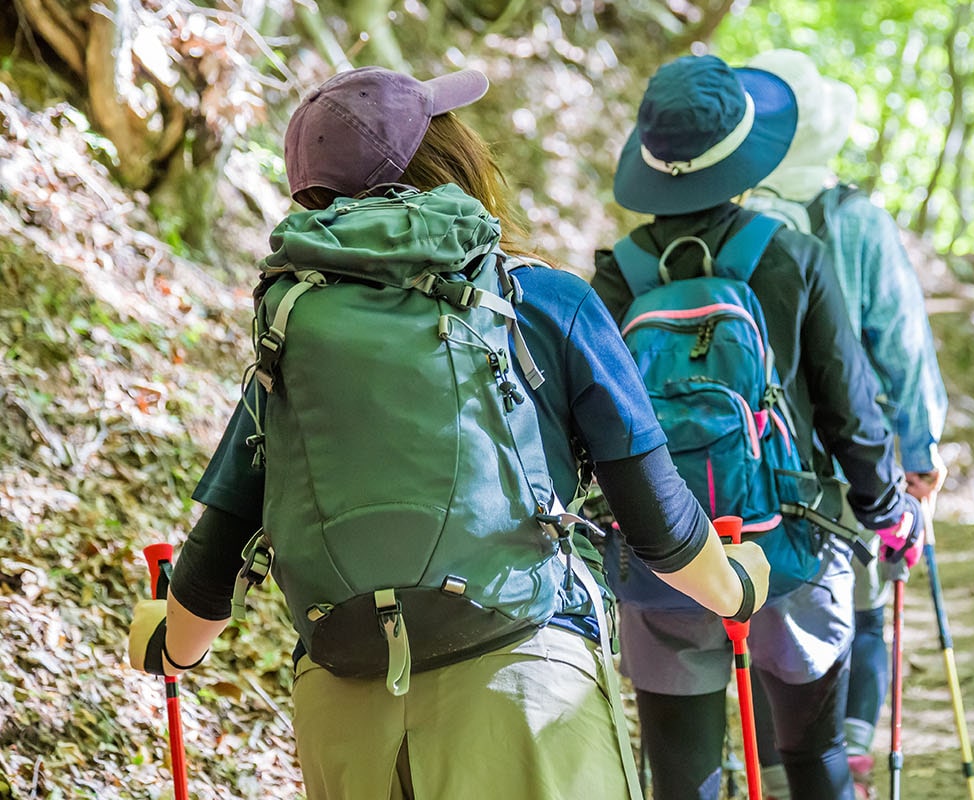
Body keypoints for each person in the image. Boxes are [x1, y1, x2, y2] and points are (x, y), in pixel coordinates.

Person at [124, 64, 771, 800]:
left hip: (347, 714)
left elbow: (213, 563)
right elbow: (660, 527)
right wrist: (737, 586)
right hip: (525, 693)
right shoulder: (544, 302)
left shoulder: (295, 335)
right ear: (451, 157)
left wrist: (167, 644)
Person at [590, 54, 922, 800]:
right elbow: (850, 415)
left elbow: (593, 428)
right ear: (743, 157)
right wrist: (888, 513)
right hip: (788, 549)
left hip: (665, 554)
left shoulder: (615, 277)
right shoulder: (795, 259)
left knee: (683, 779)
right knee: (814, 761)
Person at [742, 48, 951, 799]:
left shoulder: (721, 215)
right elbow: (902, 343)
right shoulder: (855, 220)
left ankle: (774, 759)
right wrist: (920, 455)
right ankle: (848, 761)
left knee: (768, 619)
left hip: (740, 466)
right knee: (860, 609)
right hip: (845, 466)